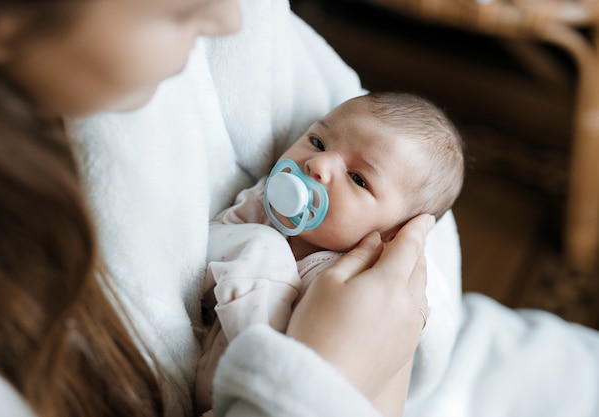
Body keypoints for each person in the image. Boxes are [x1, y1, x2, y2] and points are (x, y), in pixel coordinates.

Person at [0, 1, 597, 417]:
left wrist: (396, 346)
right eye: (316, 143)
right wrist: (325, 381)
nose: (227, 17)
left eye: (356, 179)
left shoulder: (344, 262)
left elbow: (415, 204)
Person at [195, 91, 465, 417]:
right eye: (318, 142)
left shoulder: (353, 283)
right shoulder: (261, 208)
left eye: (357, 178)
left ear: (393, 234)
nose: (317, 164)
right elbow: (201, 247)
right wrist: (259, 247)